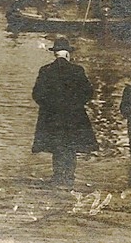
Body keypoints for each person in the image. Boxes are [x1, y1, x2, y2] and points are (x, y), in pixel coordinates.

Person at [32, 37, 98, 189]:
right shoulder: (77, 70)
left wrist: (48, 106)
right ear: (68, 54)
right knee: (71, 147)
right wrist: (76, 104)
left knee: (57, 147)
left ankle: (57, 177)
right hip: (73, 116)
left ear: (55, 54)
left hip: (52, 116)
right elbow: (88, 92)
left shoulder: (45, 70)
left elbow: (37, 94)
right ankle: (69, 178)